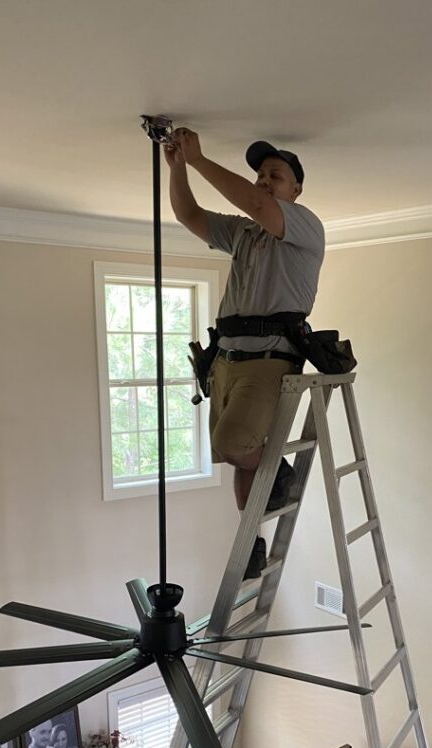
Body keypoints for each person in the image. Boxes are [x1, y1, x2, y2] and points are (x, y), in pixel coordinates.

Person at [165, 131, 325, 577]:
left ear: (296, 189)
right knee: (237, 455)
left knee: (234, 445)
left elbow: (257, 205)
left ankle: (280, 471)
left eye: (276, 175)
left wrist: (198, 159)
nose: (264, 181)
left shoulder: (305, 226)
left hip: (270, 360)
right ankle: (251, 539)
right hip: (225, 361)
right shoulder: (243, 233)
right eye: (260, 175)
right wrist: (177, 168)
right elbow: (188, 215)